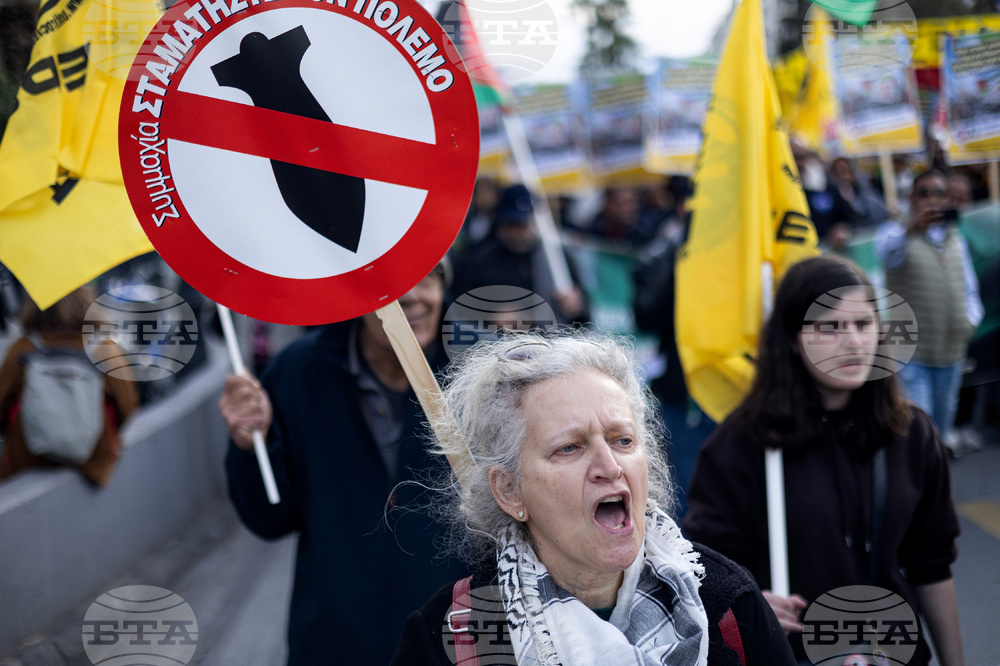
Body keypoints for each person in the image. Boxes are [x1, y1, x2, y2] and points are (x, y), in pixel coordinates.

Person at [392, 332, 796, 665]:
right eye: (570, 447)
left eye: (623, 440)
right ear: (509, 489)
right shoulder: (452, 638)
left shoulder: (729, 609)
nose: (609, 465)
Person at [683, 255, 964, 666]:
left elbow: (932, 566)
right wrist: (750, 601)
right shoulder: (741, 444)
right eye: (830, 327)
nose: (853, 341)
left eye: (863, 324)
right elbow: (702, 570)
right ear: (794, 339)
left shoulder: (911, 432)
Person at [219, 264, 467, 665]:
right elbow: (269, 518)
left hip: (454, 648)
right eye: (392, 283)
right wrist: (251, 447)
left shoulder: (478, 377)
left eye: (428, 277)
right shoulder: (300, 373)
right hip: (333, 644)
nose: (412, 296)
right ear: (356, 296)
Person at [875, 169, 984, 456]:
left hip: (951, 350)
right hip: (911, 353)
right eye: (924, 193)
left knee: (941, 430)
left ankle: (934, 491)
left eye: (938, 193)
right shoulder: (894, 231)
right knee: (917, 428)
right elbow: (886, 254)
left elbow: (969, 287)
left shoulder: (955, 238)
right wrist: (912, 229)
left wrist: (970, 321)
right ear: (911, 197)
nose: (931, 200)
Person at [0, 286, 138, 486]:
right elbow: (127, 405)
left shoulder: (23, 348)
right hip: (92, 462)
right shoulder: (105, 349)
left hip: (27, 462)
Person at [451, 184, 590, 326]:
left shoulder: (556, 257)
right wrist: (491, 318)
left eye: (522, 225)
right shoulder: (480, 260)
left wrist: (576, 307)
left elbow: (585, 316)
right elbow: (459, 308)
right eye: (511, 225)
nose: (517, 233)